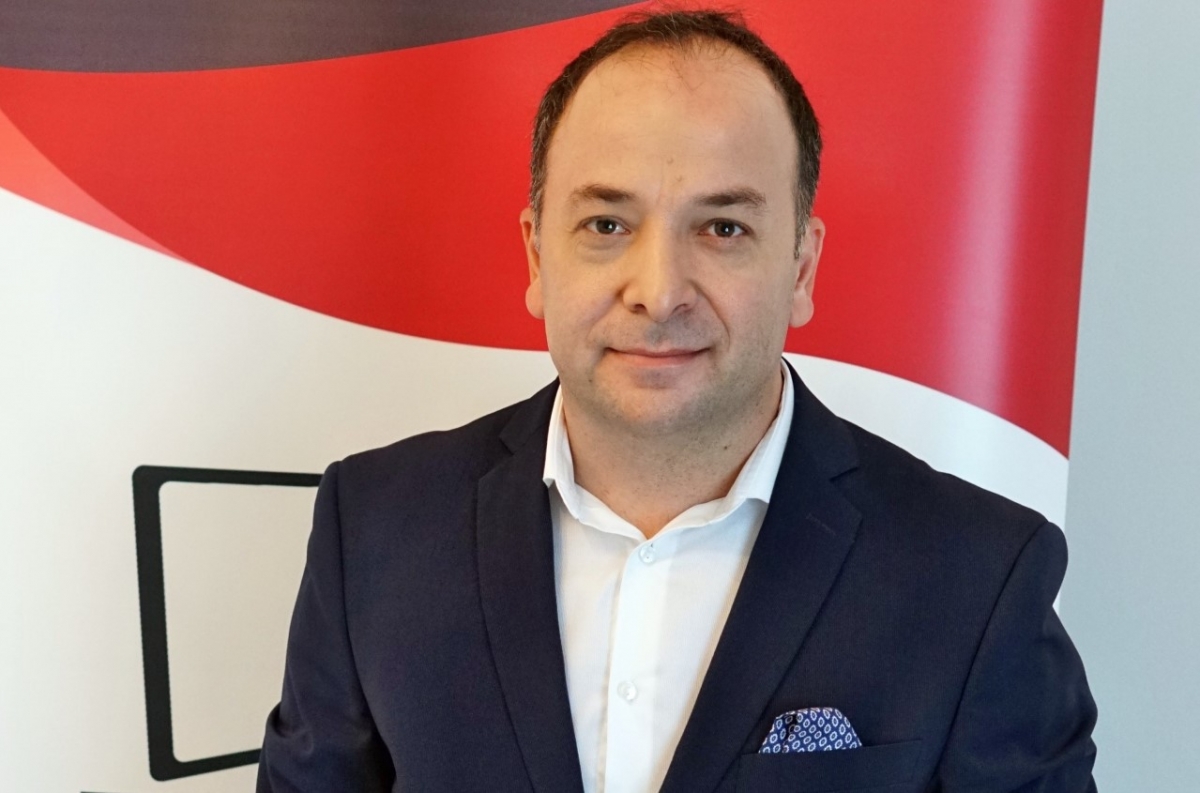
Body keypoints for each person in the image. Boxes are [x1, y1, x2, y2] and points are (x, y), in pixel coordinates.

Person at [257, 9, 1097, 792]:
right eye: (607, 225)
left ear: (801, 268)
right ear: (537, 257)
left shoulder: (979, 576)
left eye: (722, 228)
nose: (658, 292)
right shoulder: (371, 530)